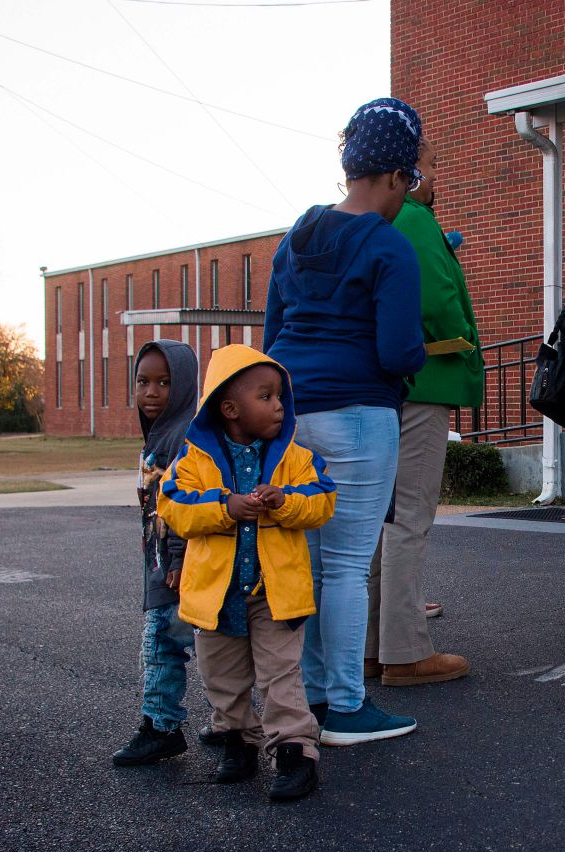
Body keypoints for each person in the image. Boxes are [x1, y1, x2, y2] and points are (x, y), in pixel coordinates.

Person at [264, 96, 427, 745]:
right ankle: (348, 706)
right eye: (407, 182)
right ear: (393, 174)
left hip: (292, 411)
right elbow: (396, 349)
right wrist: (416, 359)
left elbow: (275, 334)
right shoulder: (389, 246)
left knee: (303, 562)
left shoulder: (297, 234)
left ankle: (307, 696)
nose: (405, 195)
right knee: (348, 565)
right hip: (359, 412)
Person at [158, 345, 334, 800]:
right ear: (230, 407)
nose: (279, 405)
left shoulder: (296, 458)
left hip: (276, 594)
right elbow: (172, 506)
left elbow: (323, 499)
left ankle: (295, 751)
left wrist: (285, 502)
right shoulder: (192, 460)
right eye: (266, 396)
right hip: (216, 596)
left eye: (279, 396)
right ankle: (238, 740)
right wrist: (225, 507)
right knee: (223, 676)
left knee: (281, 675)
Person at [366, 138, 480, 686]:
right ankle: (406, 652)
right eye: (432, 166)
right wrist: (463, 338)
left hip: (381, 389)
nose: (435, 178)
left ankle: (370, 646)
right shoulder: (414, 217)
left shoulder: (371, 219)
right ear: (406, 171)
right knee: (410, 518)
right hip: (423, 379)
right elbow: (437, 302)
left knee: (379, 522)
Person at [112, 340, 204, 767]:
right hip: (161, 564)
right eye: (143, 381)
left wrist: (178, 561)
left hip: (173, 570)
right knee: (201, 646)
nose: (151, 392)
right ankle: (232, 721)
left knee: (162, 645)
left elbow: (185, 504)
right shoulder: (161, 435)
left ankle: (161, 726)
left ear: (184, 386)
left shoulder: (180, 437)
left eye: (165, 383)